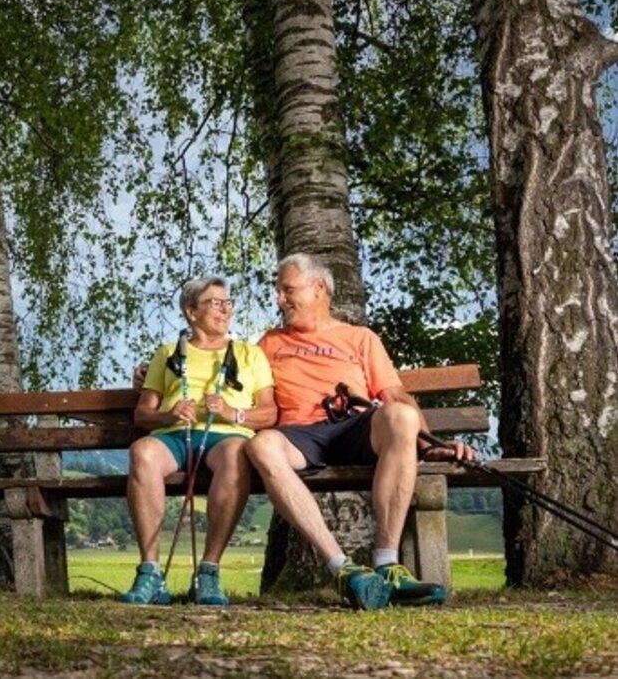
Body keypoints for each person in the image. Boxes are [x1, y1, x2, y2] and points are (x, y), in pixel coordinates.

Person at [247, 252, 477, 610]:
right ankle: (344, 570)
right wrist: (159, 376)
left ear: (318, 288)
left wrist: (429, 444)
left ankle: (386, 565)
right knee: (262, 446)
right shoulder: (269, 343)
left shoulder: (359, 338)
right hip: (299, 435)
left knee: (400, 416)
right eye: (278, 292)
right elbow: (231, 378)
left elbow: (395, 395)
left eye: (287, 290)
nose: (279, 299)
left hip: (353, 428)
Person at [121, 276, 277, 606]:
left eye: (227, 302)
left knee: (237, 453)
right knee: (142, 452)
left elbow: (269, 413)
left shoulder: (250, 355)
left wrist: (233, 414)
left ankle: (208, 572)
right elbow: (142, 415)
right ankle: (150, 573)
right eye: (215, 302)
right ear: (192, 312)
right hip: (175, 435)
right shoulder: (167, 353)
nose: (225, 309)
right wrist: (170, 413)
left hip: (226, 437)